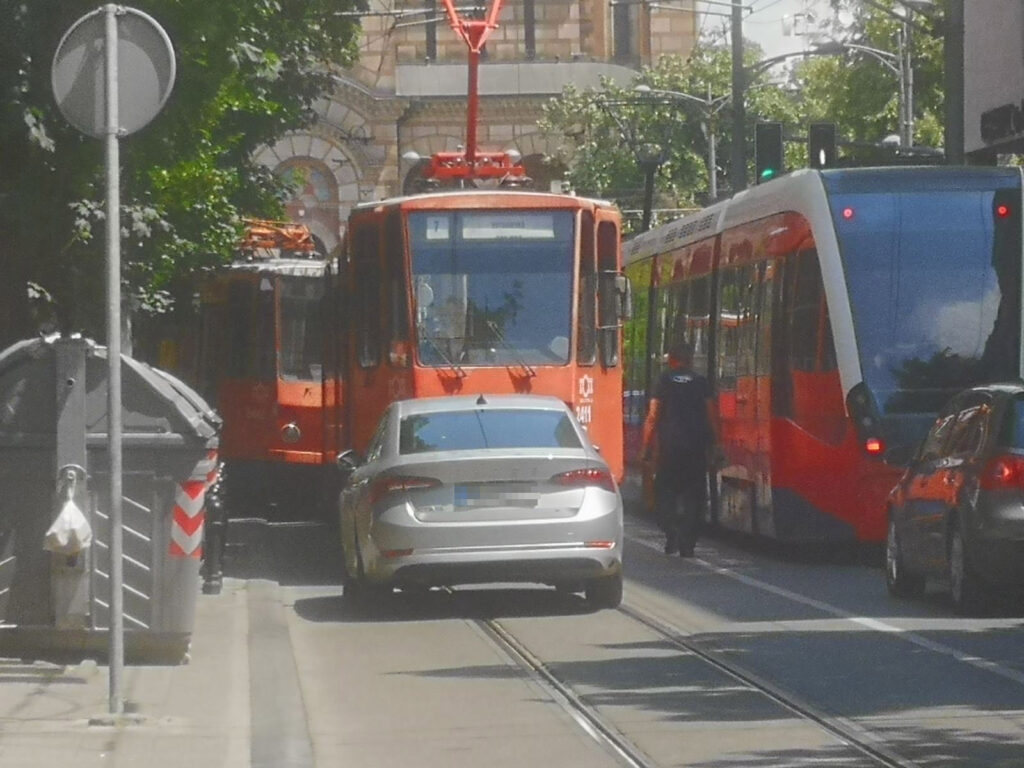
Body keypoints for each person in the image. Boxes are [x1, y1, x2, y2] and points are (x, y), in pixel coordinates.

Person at [640, 342, 720, 557]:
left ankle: (671, 531)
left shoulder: (663, 380)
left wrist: (646, 447)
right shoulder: (701, 382)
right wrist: (716, 444)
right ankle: (688, 543)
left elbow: (653, 415)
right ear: (690, 359)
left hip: (669, 450)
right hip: (696, 449)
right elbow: (712, 415)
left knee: (664, 494)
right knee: (694, 497)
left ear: (671, 359)